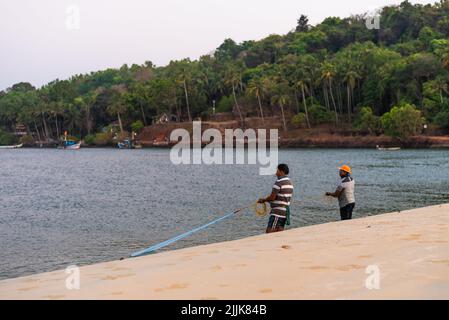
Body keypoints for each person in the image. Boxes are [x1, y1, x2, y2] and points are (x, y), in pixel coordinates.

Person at [258, 164, 294, 233]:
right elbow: (281, 197)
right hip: (285, 212)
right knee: (279, 231)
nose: (276, 173)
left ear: (281, 172)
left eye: (277, 171)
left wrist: (263, 200)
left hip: (277, 213)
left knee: (269, 231)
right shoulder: (290, 183)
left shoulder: (279, 182)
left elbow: (272, 197)